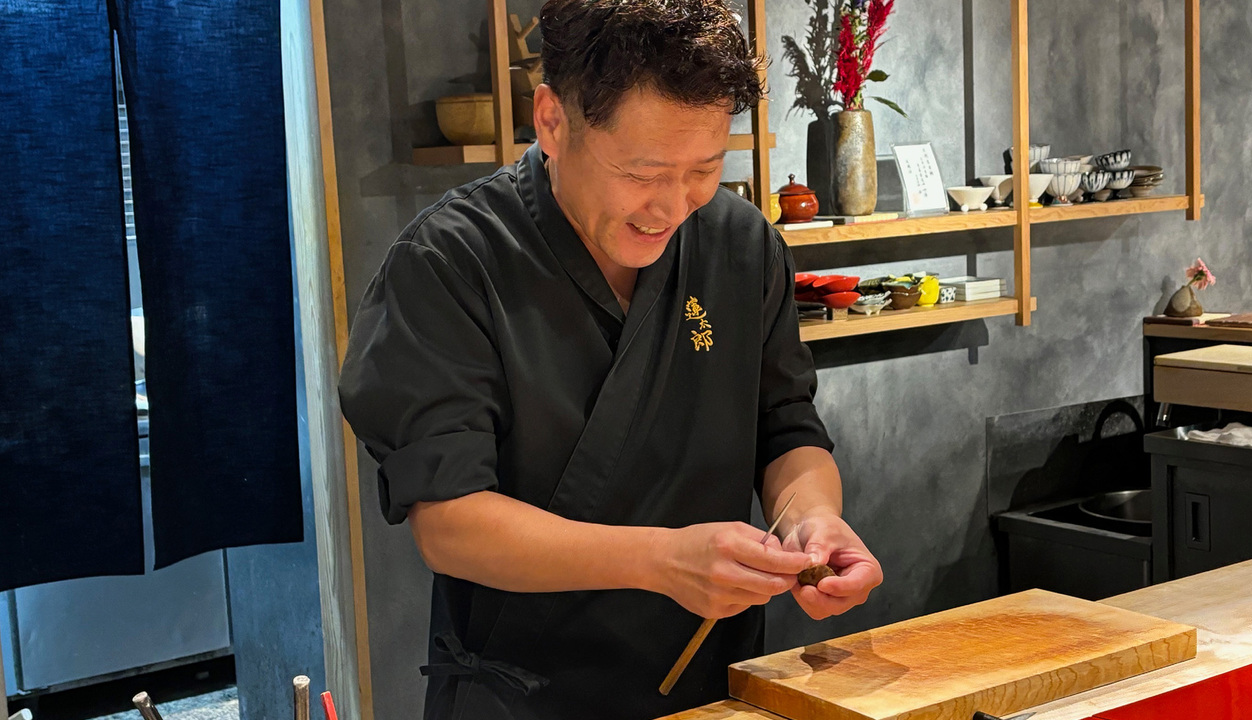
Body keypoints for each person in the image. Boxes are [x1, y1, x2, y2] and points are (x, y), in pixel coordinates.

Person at [338, 1, 882, 718]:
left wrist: (809, 519)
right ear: (554, 121)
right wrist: (661, 562)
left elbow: (785, 426)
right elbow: (450, 523)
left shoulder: (739, 245)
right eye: (643, 171)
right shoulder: (449, 263)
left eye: (705, 169)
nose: (673, 204)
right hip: (525, 697)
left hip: (714, 689)